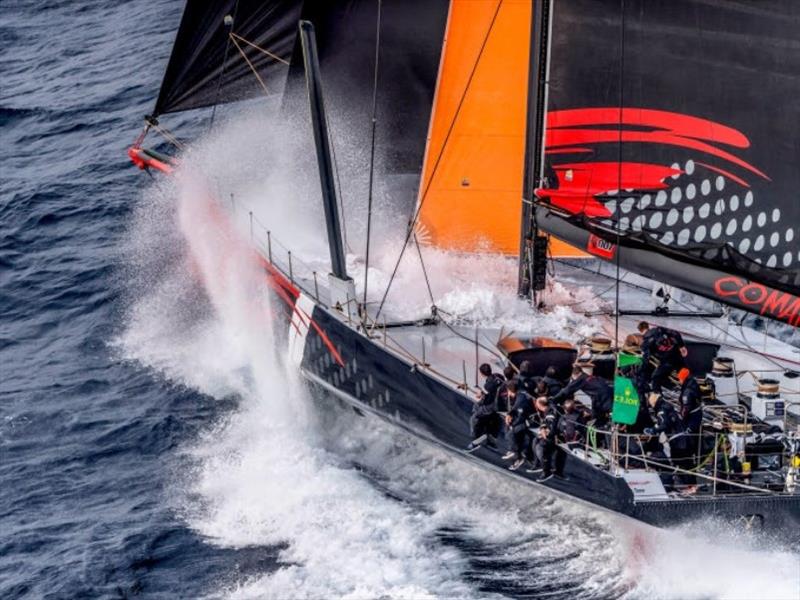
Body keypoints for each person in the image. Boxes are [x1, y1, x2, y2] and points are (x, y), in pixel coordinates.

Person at [644, 392, 696, 491]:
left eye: (650, 397)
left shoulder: (661, 410)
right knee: (687, 464)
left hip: (679, 442)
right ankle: (691, 485)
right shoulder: (668, 406)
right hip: (685, 439)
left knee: (680, 463)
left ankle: (686, 487)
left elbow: (664, 424)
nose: (649, 402)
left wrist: (654, 430)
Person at [552, 365, 614, 431]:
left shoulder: (581, 379)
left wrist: (554, 399)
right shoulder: (591, 377)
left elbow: (567, 390)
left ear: (574, 375)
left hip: (601, 399)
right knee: (598, 414)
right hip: (609, 396)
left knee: (597, 421)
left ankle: (597, 430)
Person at [638, 321, 688, 393]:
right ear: (648, 326)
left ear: (641, 331)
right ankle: (687, 389)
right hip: (677, 355)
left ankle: (659, 395)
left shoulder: (645, 344)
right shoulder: (660, 329)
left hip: (667, 361)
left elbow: (646, 360)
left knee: (655, 378)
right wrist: (681, 346)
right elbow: (676, 333)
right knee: (683, 373)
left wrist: (641, 371)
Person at [469, 363, 505, 449]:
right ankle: (488, 433)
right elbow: (495, 392)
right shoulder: (499, 376)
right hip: (502, 404)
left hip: (494, 406)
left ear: (481, 374)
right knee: (477, 406)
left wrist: (482, 395)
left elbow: (490, 398)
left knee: (474, 417)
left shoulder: (487, 385)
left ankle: (475, 438)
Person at [503, 381, 535, 470]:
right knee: (508, 429)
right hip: (524, 418)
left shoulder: (521, 399)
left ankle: (516, 452)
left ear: (511, 391)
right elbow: (515, 409)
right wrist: (509, 415)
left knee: (511, 433)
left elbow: (521, 417)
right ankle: (516, 453)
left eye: (508, 392)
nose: (508, 394)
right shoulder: (520, 394)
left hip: (530, 422)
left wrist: (512, 423)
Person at [530, 396, 560, 478]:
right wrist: (542, 428)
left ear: (540, 405)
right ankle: (538, 464)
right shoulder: (547, 410)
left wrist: (544, 432)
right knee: (535, 441)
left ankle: (547, 471)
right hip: (548, 434)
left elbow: (551, 427)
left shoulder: (550, 413)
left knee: (540, 448)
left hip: (555, 437)